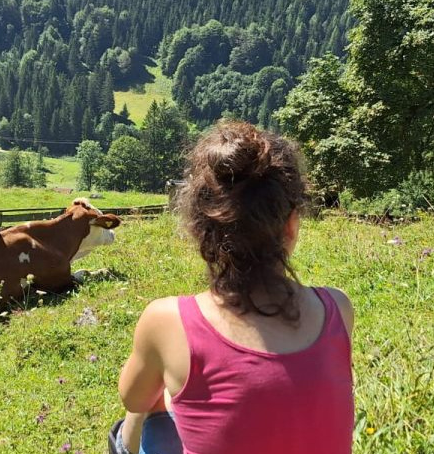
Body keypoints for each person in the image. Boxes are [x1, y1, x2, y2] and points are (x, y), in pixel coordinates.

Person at [111, 121, 356, 454]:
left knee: (146, 408)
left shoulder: (166, 320)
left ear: (200, 228)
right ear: (291, 226)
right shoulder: (337, 309)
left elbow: (132, 398)